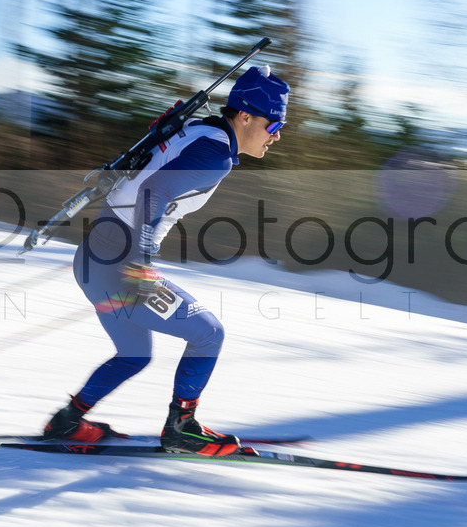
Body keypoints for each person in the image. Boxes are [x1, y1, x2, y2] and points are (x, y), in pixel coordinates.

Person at [43, 65, 290, 456]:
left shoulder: (196, 128)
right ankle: (182, 428)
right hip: (119, 265)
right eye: (273, 125)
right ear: (245, 116)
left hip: (92, 259)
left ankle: (67, 421)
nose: (276, 136)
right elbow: (152, 192)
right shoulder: (215, 154)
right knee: (209, 334)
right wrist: (140, 263)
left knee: (134, 355)